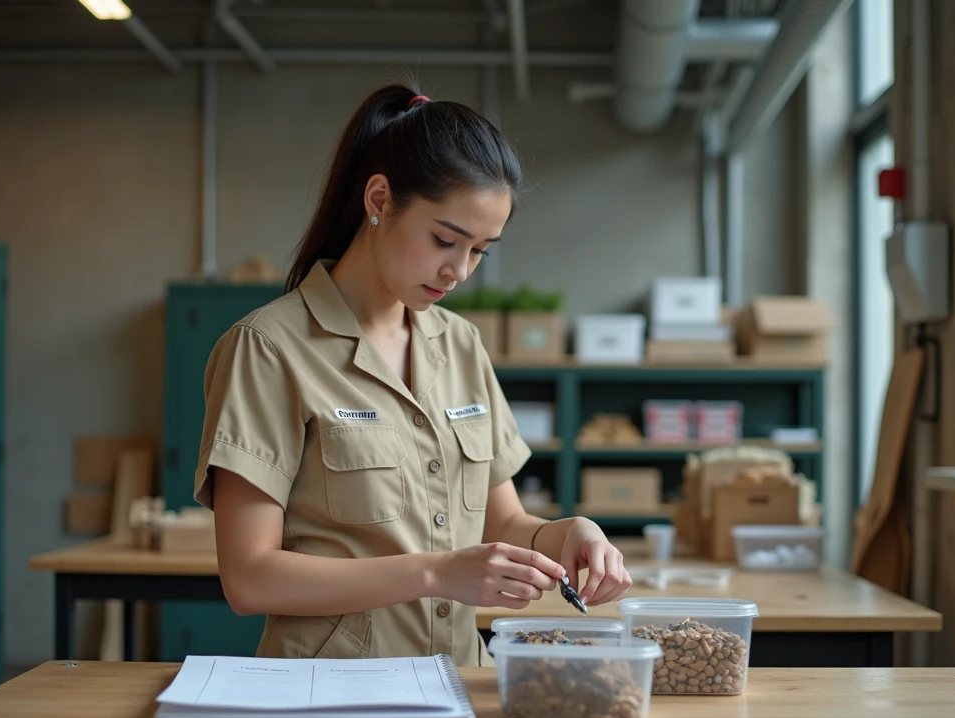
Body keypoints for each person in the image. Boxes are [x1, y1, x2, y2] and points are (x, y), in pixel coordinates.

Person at [192, 83, 633, 666]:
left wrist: (569, 533)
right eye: (445, 240)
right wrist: (435, 572)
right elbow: (249, 579)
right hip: (330, 693)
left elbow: (499, 520)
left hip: (457, 684)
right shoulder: (269, 349)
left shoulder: (461, 344)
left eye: (481, 250)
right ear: (379, 199)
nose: (460, 271)